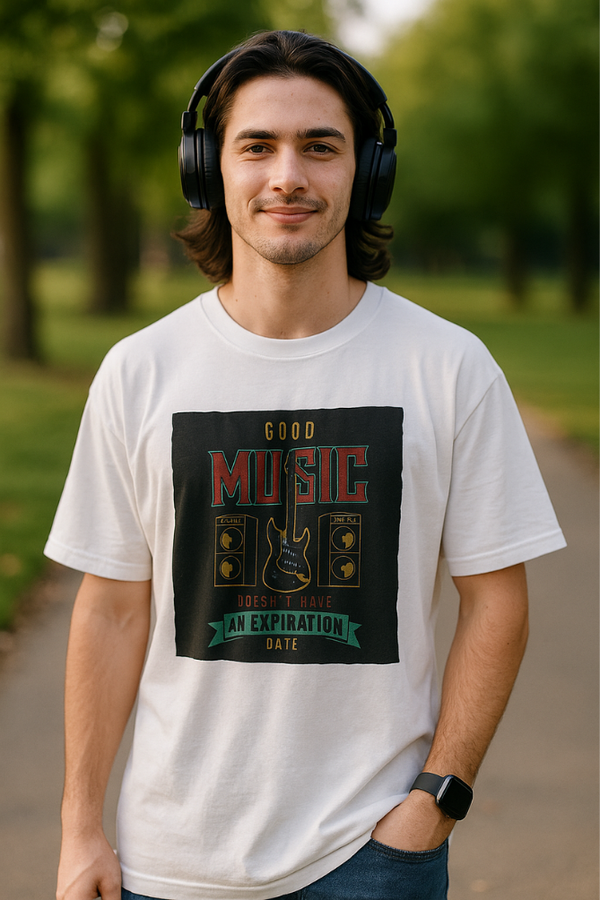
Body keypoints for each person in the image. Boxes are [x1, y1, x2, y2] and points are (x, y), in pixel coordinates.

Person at [47, 30, 566, 900]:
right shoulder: (140, 371)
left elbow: (497, 598)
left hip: (371, 855)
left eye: (320, 147)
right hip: (166, 860)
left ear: (366, 173)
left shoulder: (448, 366)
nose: (287, 175)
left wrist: (436, 800)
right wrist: (78, 828)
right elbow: (110, 610)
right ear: (210, 166)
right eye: (258, 146)